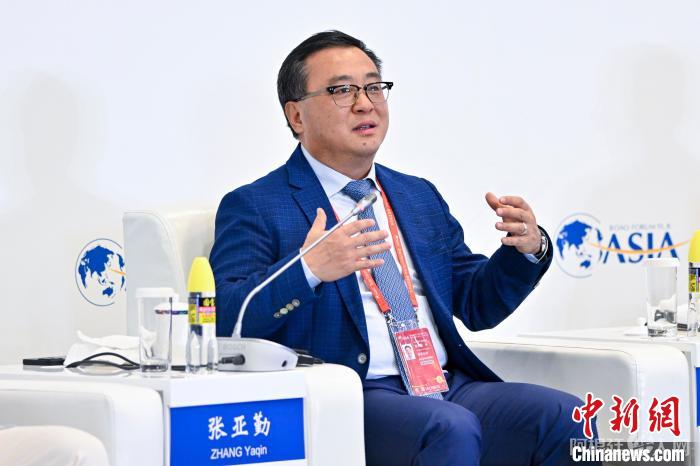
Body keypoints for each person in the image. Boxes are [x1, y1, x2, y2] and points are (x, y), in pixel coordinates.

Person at [210, 30, 597, 466]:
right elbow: (226, 317)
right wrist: (310, 268)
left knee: (568, 418)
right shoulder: (258, 204)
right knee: (449, 428)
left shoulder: (416, 195)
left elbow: (476, 303)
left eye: (374, 87)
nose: (365, 103)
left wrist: (525, 250)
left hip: (443, 385)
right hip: (349, 393)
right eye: (342, 90)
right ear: (296, 115)